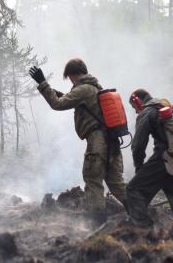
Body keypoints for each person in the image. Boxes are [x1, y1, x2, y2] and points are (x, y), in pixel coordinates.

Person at [29, 58, 127, 224]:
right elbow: (69, 98)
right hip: (111, 142)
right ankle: (142, 214)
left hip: (98, 142)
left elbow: (58, 104)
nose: (70, 81)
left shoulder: (83, 89)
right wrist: (51, 89)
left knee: (93, 180)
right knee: (117, 185)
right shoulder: (94, 87)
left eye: (70, 77)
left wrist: (43, 83)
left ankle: (97, 225)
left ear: (75, 74)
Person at [125, 89, 173, 244]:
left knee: (133, 190)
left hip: (163, 159)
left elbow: (138, 145)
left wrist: (139, 168)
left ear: (137, 101)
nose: (135, 111)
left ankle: (147, 235)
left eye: (134, 107)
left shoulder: (147, 112)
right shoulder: (168, 107)